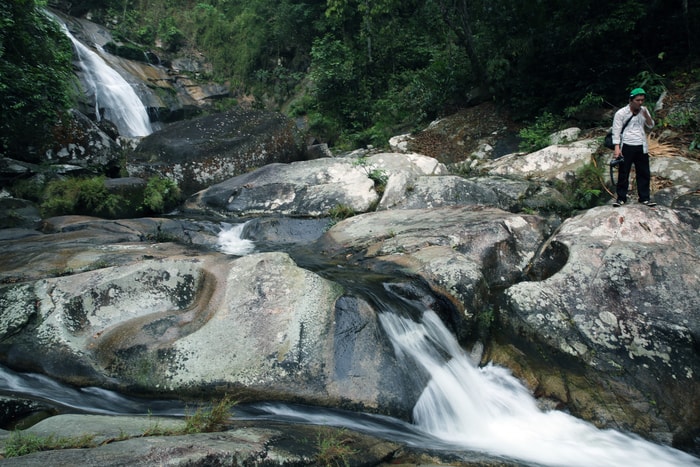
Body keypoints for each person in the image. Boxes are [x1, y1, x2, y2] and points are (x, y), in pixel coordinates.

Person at [611, 87, 656, 207]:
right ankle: (621, 198)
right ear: (631, 100)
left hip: (641, 145)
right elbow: (616, 130)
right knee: (624, 172)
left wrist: (646, 115)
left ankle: (644, 198)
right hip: (626, 144)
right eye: (638, 100)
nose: (640, 102)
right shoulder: (621, 113)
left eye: (642, 100)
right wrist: (617, 147)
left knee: (643, 172)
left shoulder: (643, 110)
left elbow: (651, 125)